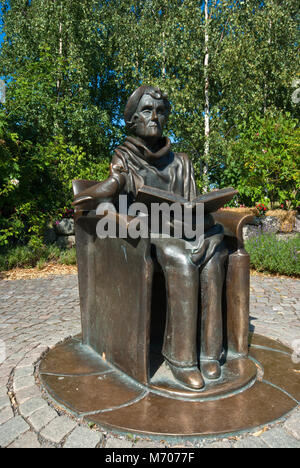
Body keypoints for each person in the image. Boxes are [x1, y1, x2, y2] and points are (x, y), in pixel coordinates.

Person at [74, 86, 228, 390]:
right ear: (132, 120)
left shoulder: (181, 162)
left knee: (214, 253)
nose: (154, 116)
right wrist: (113, 186)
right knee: (182, 260)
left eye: (160, 111)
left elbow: (192, 204)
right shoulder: (125, 159)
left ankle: (209, 352)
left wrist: (199, 216)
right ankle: (180, 359)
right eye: (146, 110)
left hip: (186, 229)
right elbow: (95, 205)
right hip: (149, 237)